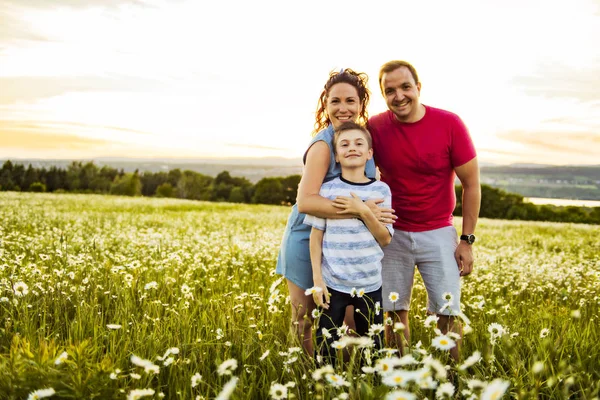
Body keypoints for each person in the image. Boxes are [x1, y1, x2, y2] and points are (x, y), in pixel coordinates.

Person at [275, 69, 396, 355]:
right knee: (304, 317)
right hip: (309, 238)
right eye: (335, 101)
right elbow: (306, 202)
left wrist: (366, 212)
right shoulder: (323, 145)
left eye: (351, 101)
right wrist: (360, 211)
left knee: (352, 321)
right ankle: (306, 378)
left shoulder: (359, 141)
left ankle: (349, 376)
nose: (343, 108)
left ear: (361, 105)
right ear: (325, 105)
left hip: (346, 246)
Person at [367, 60, 481, 361]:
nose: (399, 96)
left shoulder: (450, 124)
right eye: (389, 91)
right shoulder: (376, 128)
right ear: (383, 95)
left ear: (418, 87)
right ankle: (401, 378)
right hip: (392, 235)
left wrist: (467, 240)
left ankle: (451, 379)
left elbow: (472, 184)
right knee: (393, 312)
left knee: (447, 312)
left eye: (405, 87)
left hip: (439, 232)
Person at [305, 122, 393, 363]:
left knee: (373, 349)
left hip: (370, 282)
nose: (351, 148)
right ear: (336, 156)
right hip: (332, 283)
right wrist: (317, 281)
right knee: (326, 348)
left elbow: (385, 238)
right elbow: (316, 237)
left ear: (369, 154)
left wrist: (363, 210)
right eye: (344, 144)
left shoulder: (382, 191)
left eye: (358, 143)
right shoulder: (327, 190)